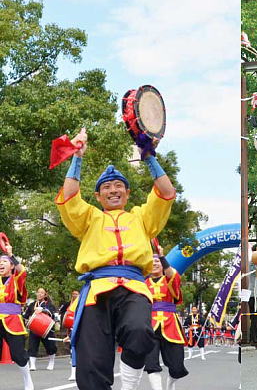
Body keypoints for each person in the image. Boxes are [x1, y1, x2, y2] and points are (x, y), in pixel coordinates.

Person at [55, 127, 176, 390]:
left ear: (128, 193)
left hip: (133, 287)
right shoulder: (89, 218)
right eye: (106, 187)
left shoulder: (141, 217)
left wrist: (149, 157)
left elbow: (166, 193)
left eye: (119, 186)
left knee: (139, 332)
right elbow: (69, 196)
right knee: (91, 367)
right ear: (97, 196)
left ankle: (129, 385)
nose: (113, 190)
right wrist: (77, 157)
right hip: (96, 291)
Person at [144, 246, 189, 390]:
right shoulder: (142, 284)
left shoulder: (170, 280)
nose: (155, 263)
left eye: (157, 261)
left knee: (177, 367)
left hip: (171, 325)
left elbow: (173, 275)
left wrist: (163, 257)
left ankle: (170, 387)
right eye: (151, 262)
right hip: (149, 325)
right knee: (151, 364)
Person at [0, 247, 34, 390]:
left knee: (18, 355)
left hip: (12, 320)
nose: (0, 263)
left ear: (11, 265)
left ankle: (28, 381)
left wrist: (10, 254)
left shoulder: (16, 280)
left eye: (4, 261)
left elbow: (22, 271)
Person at [25, 287, 58, 371]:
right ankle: (32, 365)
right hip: (34, 329)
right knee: (32, 346)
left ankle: (51, 361)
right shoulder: (32, 304)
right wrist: (26, 321)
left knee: (50, 347)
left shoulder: (49, 304)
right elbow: (26, 316)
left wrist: (43, 310)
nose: (39, 294)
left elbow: (53, 315)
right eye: (38, 292)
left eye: (42, 293)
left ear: (45, 294)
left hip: (46, 329)